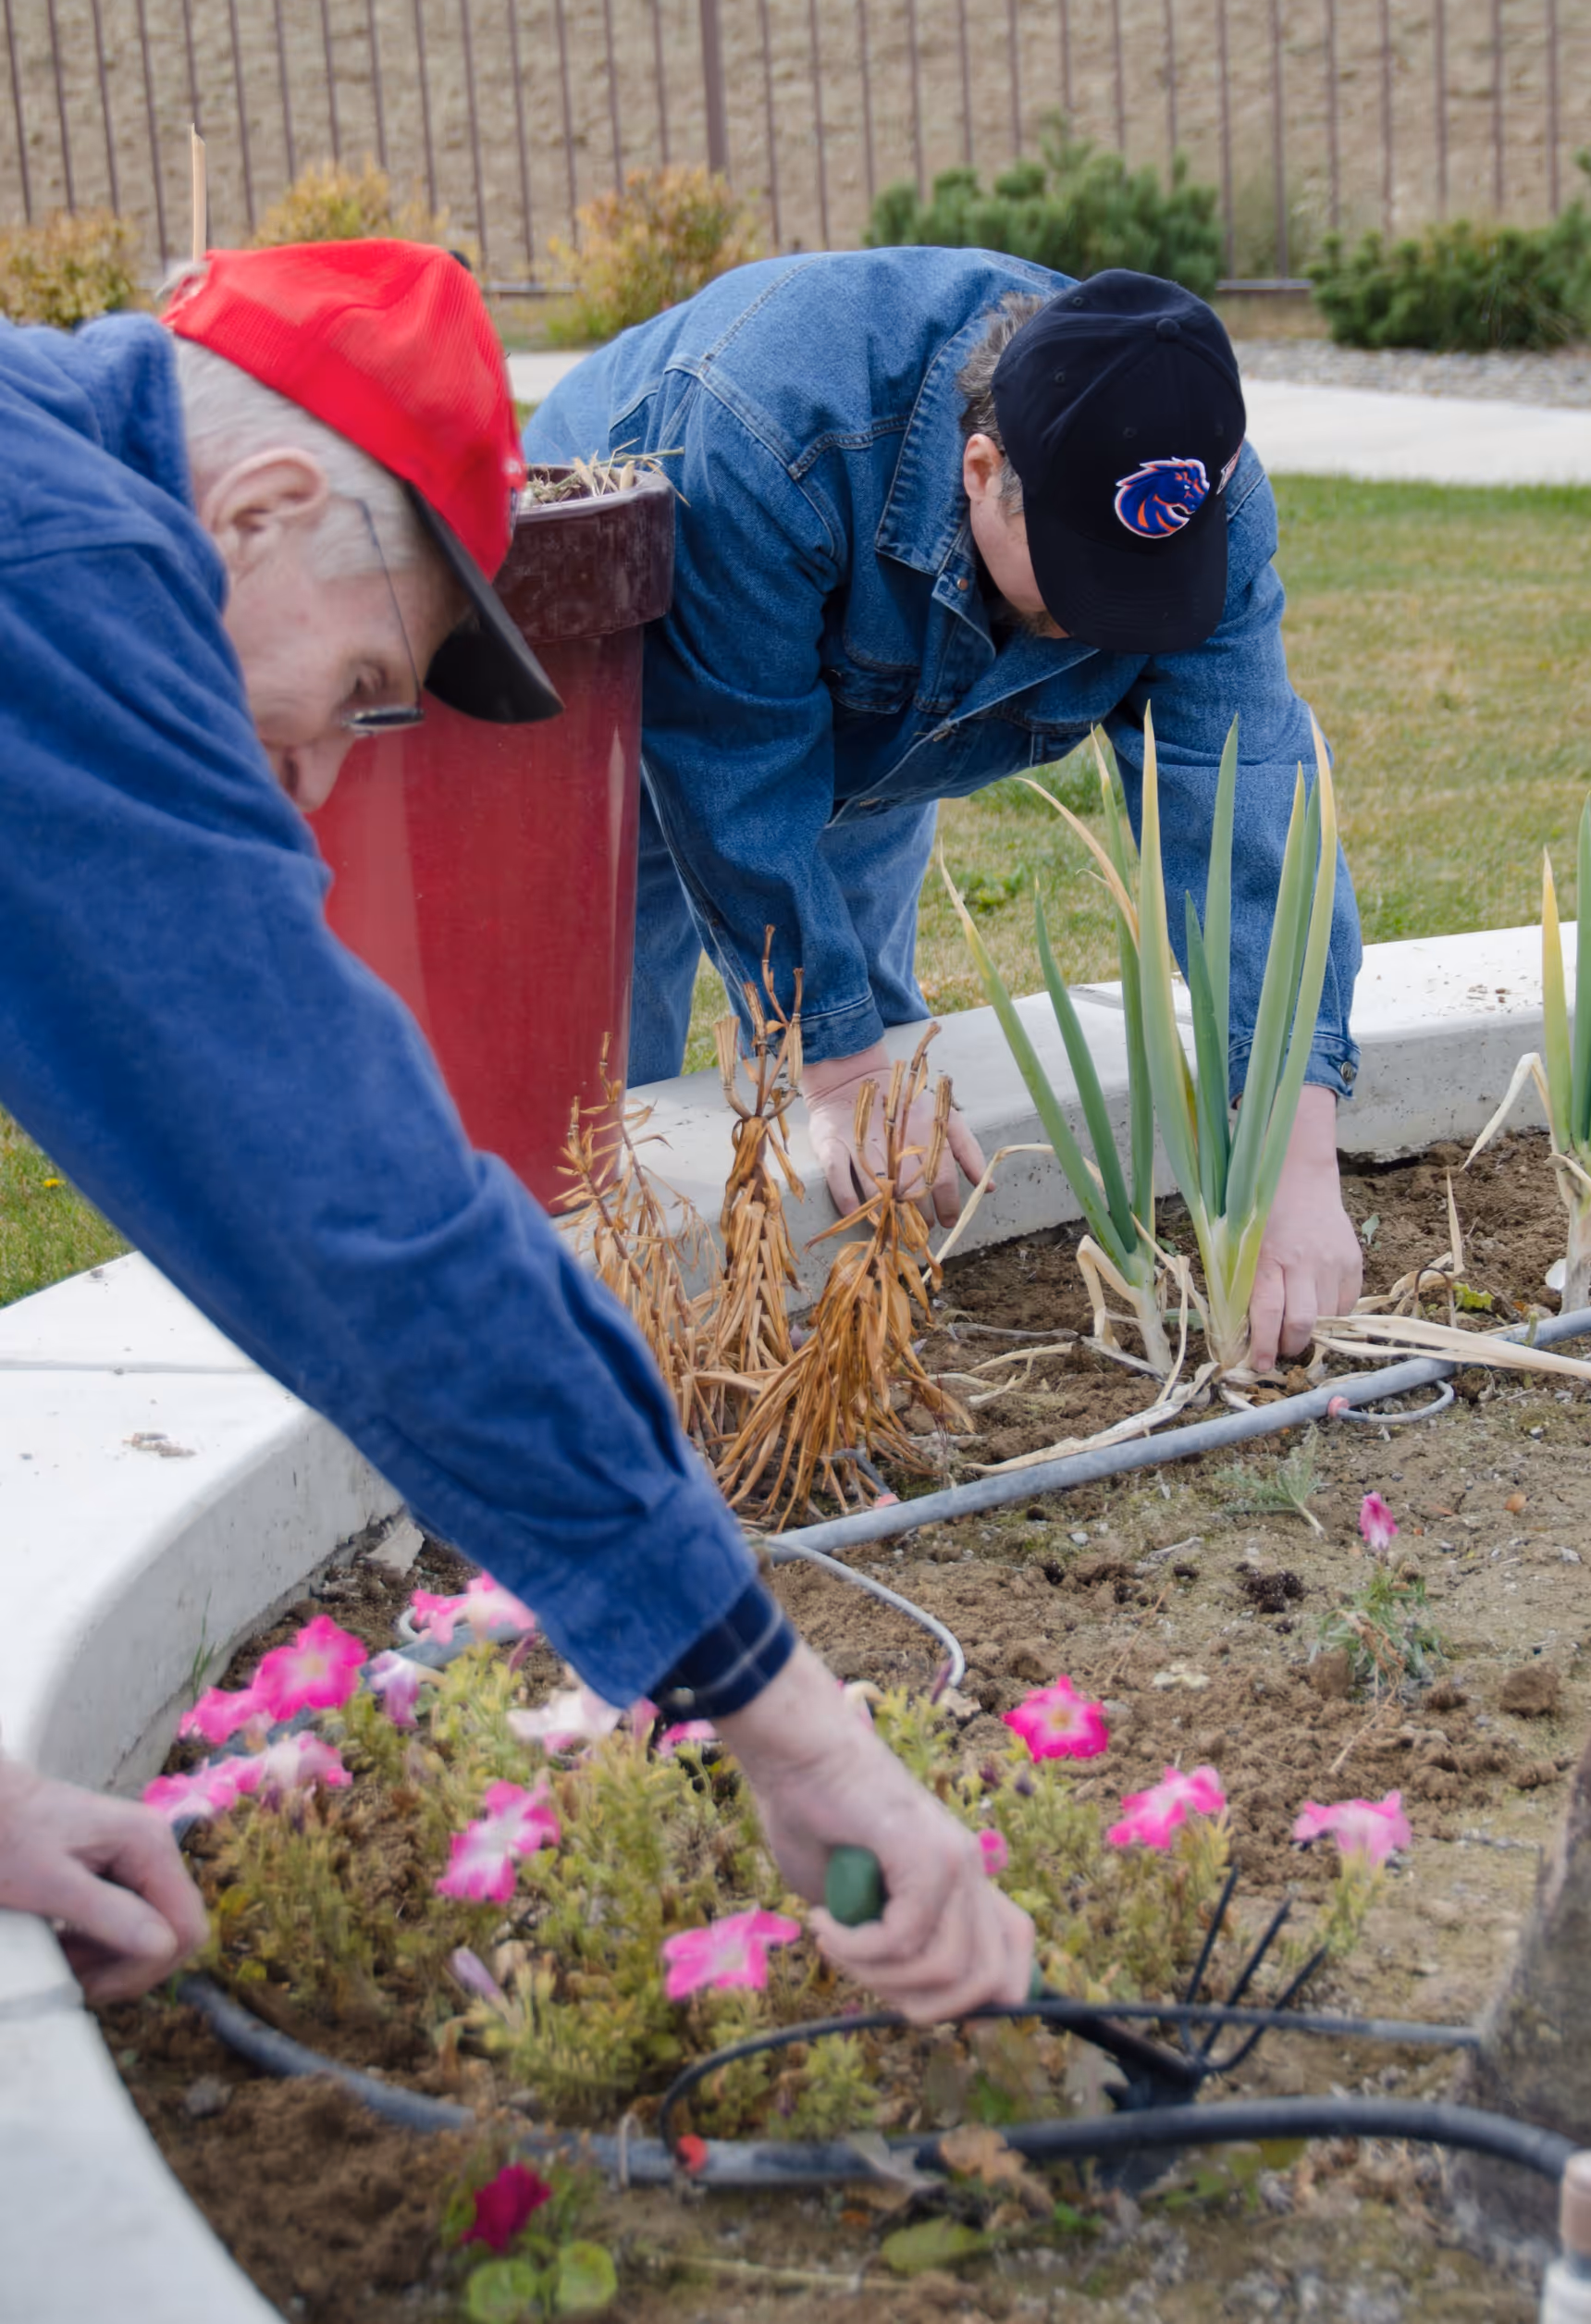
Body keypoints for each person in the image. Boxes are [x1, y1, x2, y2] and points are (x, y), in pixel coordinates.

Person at [0, 241, 1033, 2016]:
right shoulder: (66, 566)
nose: (326, 787)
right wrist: (792, 1727)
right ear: (255, 511)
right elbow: (357, 1207)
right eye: (359, 698)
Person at [527, 253, 1365, 1370]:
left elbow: (1249, 796)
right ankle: (576, 1345)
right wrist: (840, 1067)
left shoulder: (1192, 485)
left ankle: (863, 1316)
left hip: (877, 696)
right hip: (609, 664)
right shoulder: (776, 435)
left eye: (1145, 586)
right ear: (983, 469)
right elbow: (734, 766)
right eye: (1081, 578)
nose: (1107, 618)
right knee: (596, 1088)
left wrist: (1297, 1159)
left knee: (870, 1057)